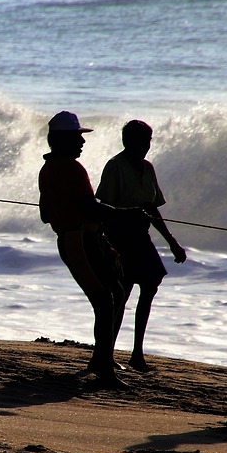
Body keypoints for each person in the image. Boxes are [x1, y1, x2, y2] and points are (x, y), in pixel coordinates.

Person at [37, 111, 145, 388]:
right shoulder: (71, 169)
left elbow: (45, 215)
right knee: (105, 301)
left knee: (116, 293)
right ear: (60, 140)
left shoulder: (47, 169)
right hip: (79, 242)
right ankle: (102, 366)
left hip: (83, 240)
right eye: (77, 138)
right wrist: (128, 214)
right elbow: (89, 207)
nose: (82, 143)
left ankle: (102, 359)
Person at [95, 119, 187, 372]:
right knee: (120, 295)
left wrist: (173, 243)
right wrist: (106, 243)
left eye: (148, 141)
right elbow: (103, 209)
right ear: (128, 142)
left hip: (141, 236)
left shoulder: (147, 168)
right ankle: (106, 354)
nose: (146, 146)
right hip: (118, 237)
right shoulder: (115, 166)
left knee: (150, 285)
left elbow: (152, 209)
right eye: (141, 141)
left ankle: (137, 354)